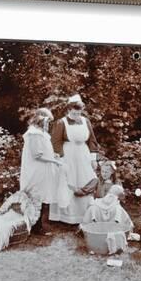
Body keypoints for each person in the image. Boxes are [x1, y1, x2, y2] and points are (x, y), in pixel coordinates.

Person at [49, 94, 101, 225]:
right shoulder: (62, 123)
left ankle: (85, 214)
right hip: (68, 156)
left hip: (83, 154)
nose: (77, 113)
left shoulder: (86, 121)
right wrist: (60, 158)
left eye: (80, 110)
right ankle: (67, 217)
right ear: (69, 109)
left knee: (86, 179)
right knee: (69, 182)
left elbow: (92, 140)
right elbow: (55, 142)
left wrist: (93, 158)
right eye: (74, 110)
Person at [20, 107, 63, 235]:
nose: (48, 124)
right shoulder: (33, 133)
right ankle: (35, 226)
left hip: (43, 168)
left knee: (44, 195)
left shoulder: (40, 133)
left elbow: (43, 150)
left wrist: (53, 154)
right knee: (36, 195)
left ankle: (39, 225)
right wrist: (54, 161)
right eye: (47, 121)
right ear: (41, 119)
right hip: (36, 169)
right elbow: (36, 155)